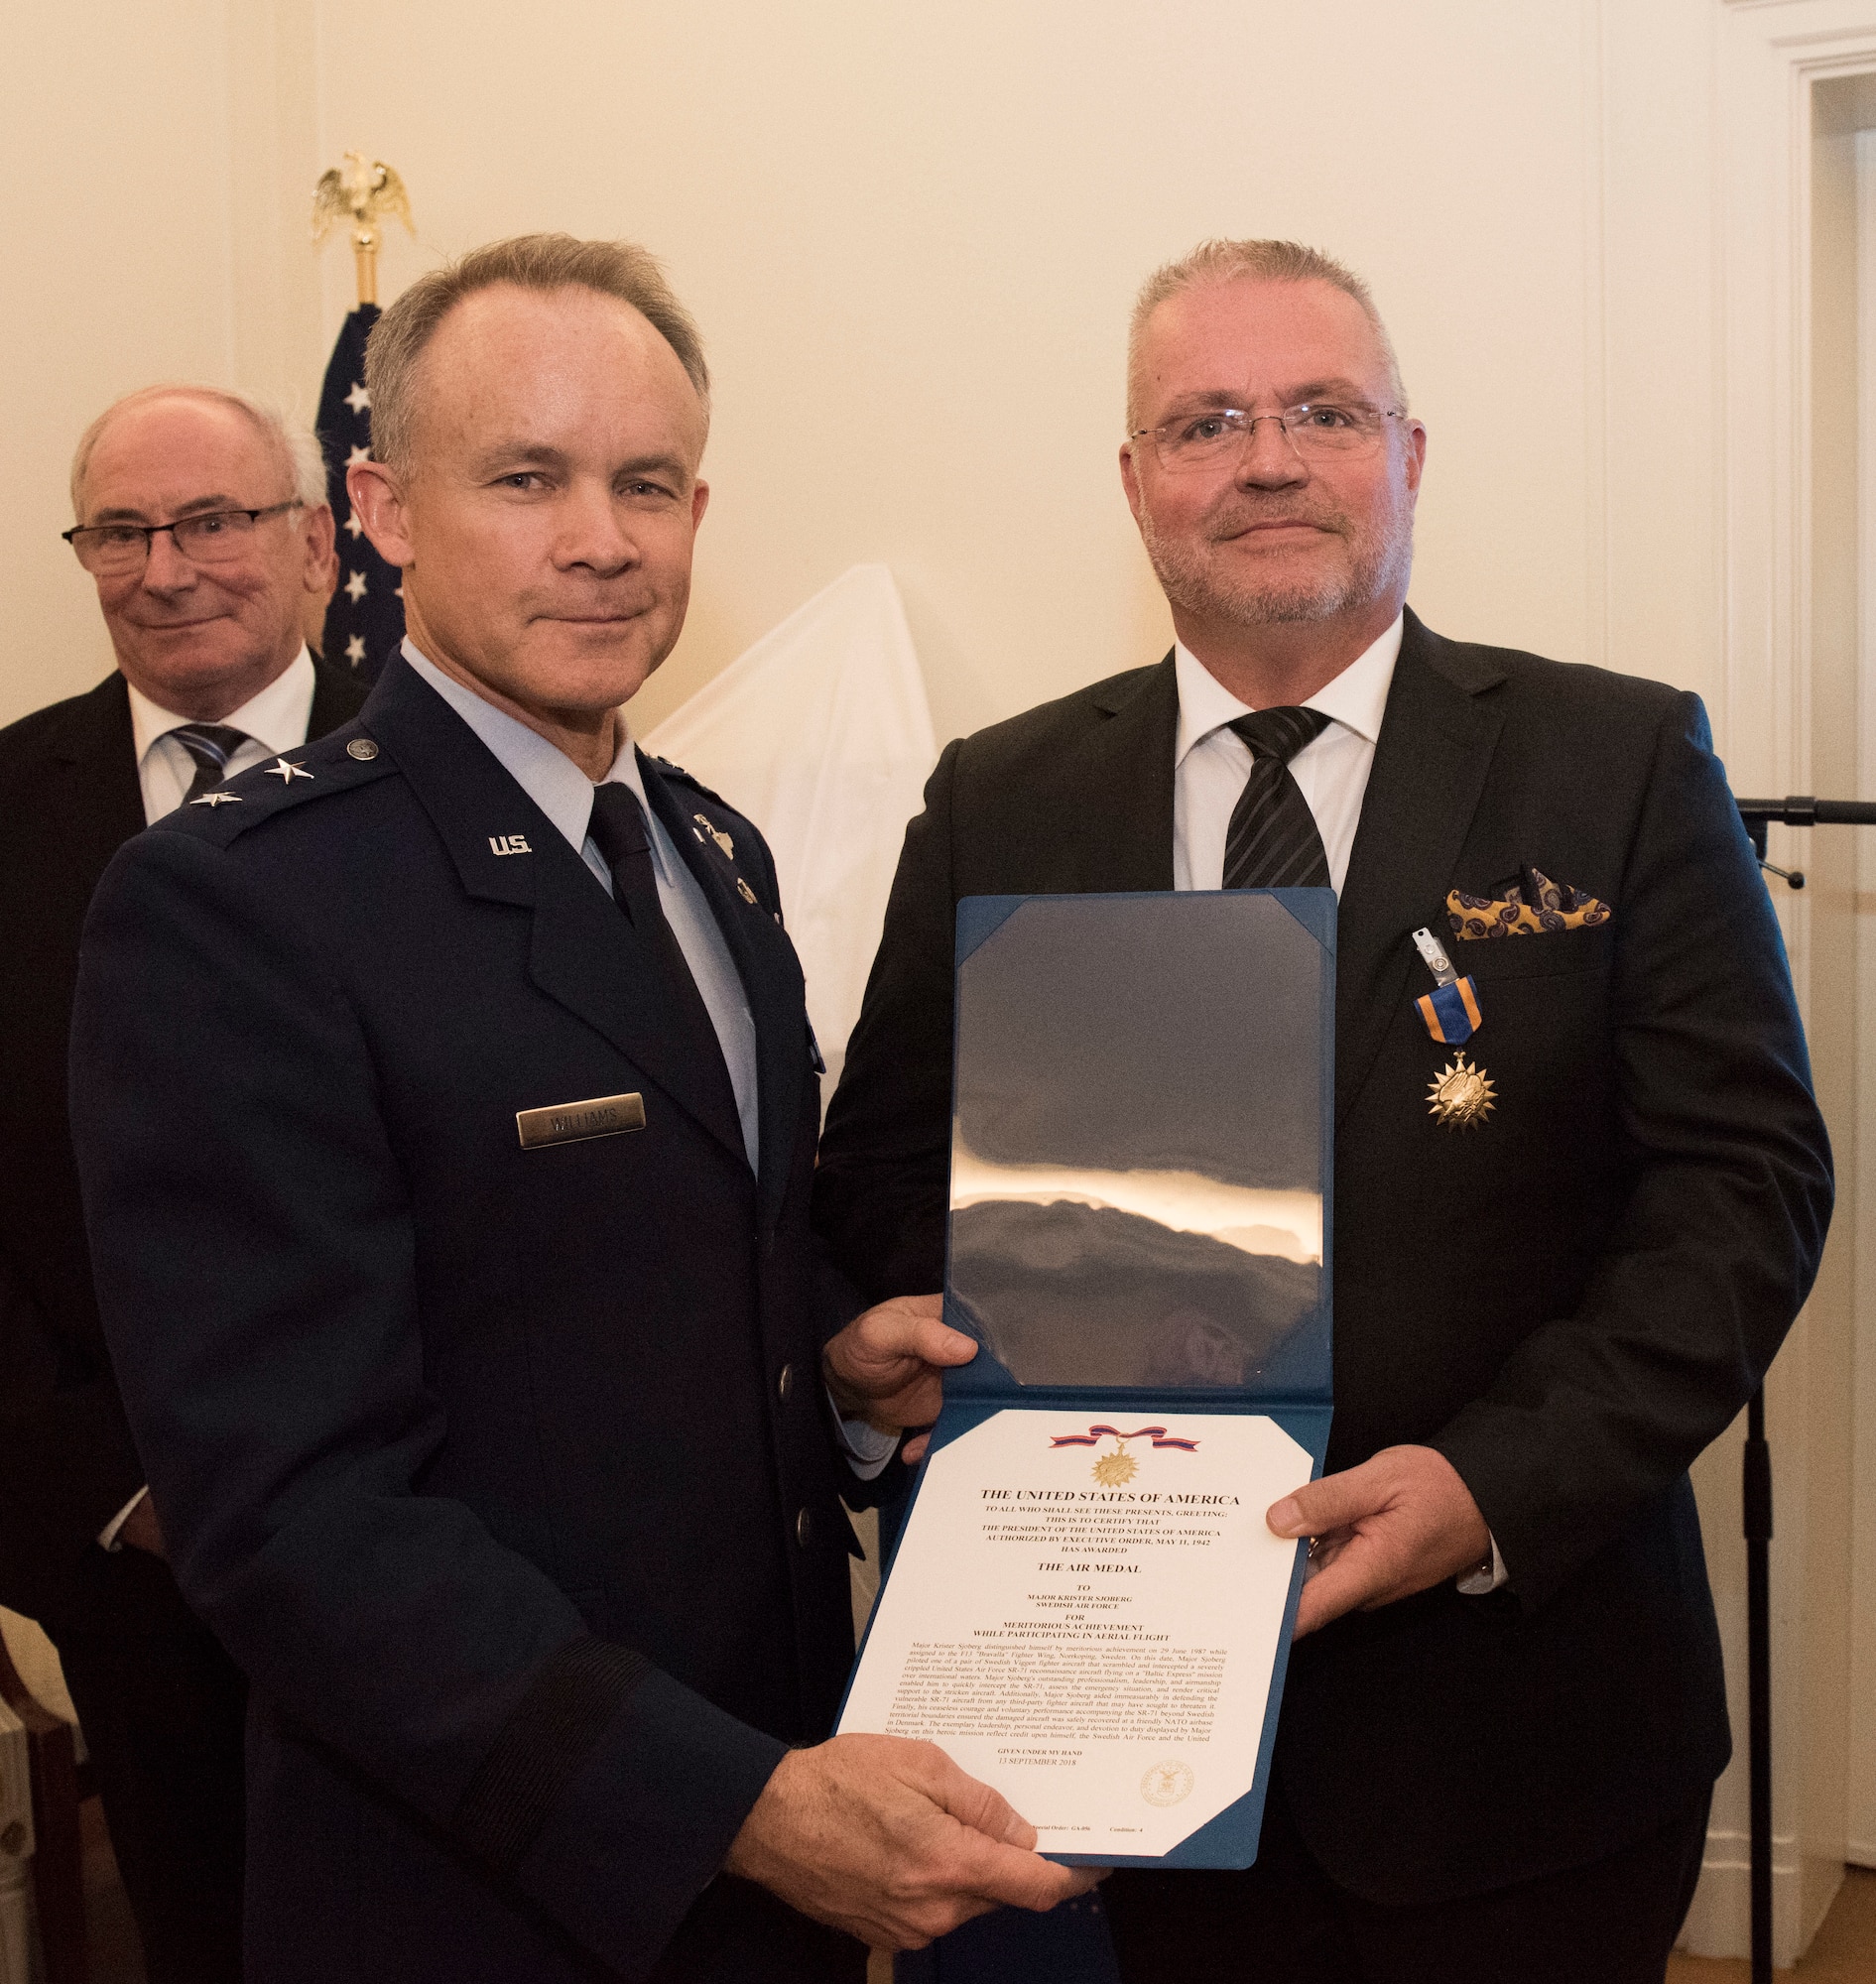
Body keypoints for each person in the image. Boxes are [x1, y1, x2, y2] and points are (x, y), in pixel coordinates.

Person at [67, 234, 1092, 1984]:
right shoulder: (241, 903)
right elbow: (294, 1517)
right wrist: (734, 1808)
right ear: (381, 508)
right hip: (475, 1875)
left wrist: (835, 1374)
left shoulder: (711, 854)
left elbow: (681, 1267)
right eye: (525, 478)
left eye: (645, 484)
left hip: (767, 1845)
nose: (601, 539)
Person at [813, 238, 1834, 1983]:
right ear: (1134, 484)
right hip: (1093, 1738)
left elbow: (1742, 1194)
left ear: (1409, 456)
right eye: (1207, 420)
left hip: (1524, 1748)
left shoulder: (1620, 761)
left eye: (1322, 411)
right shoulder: (1003, 796)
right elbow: (895, 1177)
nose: (1268, 457)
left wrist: (1492, 1486)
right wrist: (896, 1348)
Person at [0, 384, 366, 1982]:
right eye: (120, 533)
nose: (167, 570)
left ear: (318, 542)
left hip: (440, 1530)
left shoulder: (459, 763)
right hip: (141, 1560)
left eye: (213, 522)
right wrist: (115, 1490)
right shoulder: (6, 812)